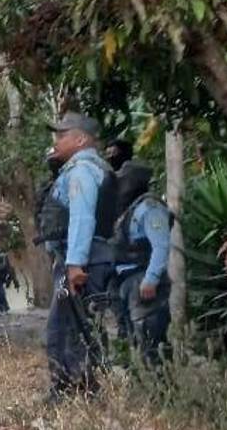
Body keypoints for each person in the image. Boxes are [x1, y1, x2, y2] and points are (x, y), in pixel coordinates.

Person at [38, 112, 118, 399]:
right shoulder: (91, 169)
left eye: (62, 135)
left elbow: (82, 219)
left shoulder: (82, 171)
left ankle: (70, 389)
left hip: (83, 262)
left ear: (80, 139)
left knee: (65, 327)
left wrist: (74, 263)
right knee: (77, 324)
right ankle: (78, 387)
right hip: (89, 259)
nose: (56, 141)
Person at [111, 161, 172, 364]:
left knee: (151, 341)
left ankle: (162, 391)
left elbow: (161, 246)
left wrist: (151, 279)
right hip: (127, 281)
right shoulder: (130, 210)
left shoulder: (150, 208)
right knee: (134, 340)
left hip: (143, 280)